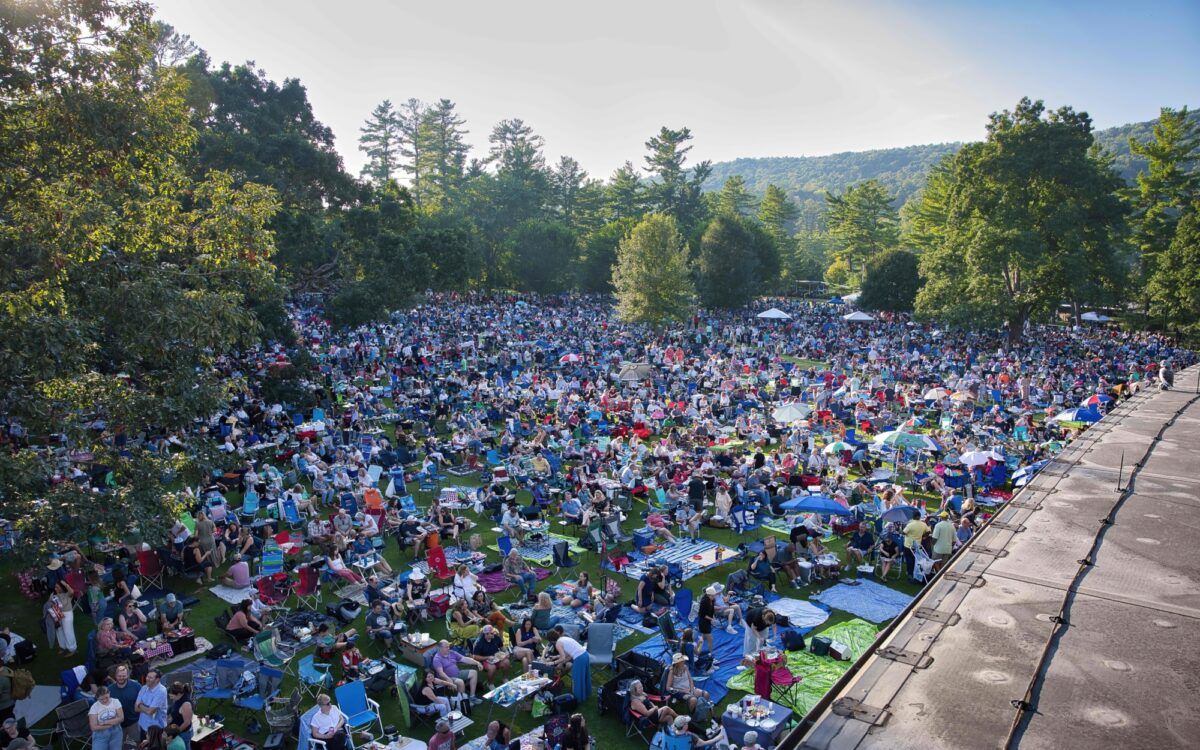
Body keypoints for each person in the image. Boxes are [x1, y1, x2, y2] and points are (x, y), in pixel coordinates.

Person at [108, 665, 141, 749]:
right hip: (118, 724)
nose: (121, 678)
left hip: (134, 721)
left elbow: (144, 700)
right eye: (119, 676)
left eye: (124, 676)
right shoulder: (109, 690)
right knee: (118, 745)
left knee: (139, 741)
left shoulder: (136, 686)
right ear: (115, 676)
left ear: (127, 675)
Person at [135, 670, 168, 738]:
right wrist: (146, 708)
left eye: (150, 677)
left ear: (157, 680)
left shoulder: (161, 691)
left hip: (155, 729)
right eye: (147, 676)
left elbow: (150, 711)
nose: (147, 679)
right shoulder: (144, 688)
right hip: (143, 726)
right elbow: (136, 708)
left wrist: (140, 705)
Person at [902, 515, 930, 580]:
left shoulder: (910, 524)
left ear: (913, 517)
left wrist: (908, 534)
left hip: (908, 545)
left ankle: (910, 573)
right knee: (915, 559)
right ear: (919, 517)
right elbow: (928, 531)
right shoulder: (923, 524)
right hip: (917, 545)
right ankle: (913, 572)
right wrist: (924, 536)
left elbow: (903, 532)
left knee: (909, 559)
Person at [164, 683, 192, 750]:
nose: (170, 698)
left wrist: (175, 733)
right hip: (176, 731)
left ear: (179, 694)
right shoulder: (177, 698)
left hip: (183, 733)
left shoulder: (186, 704)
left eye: (172, 696)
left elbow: (187, 722)